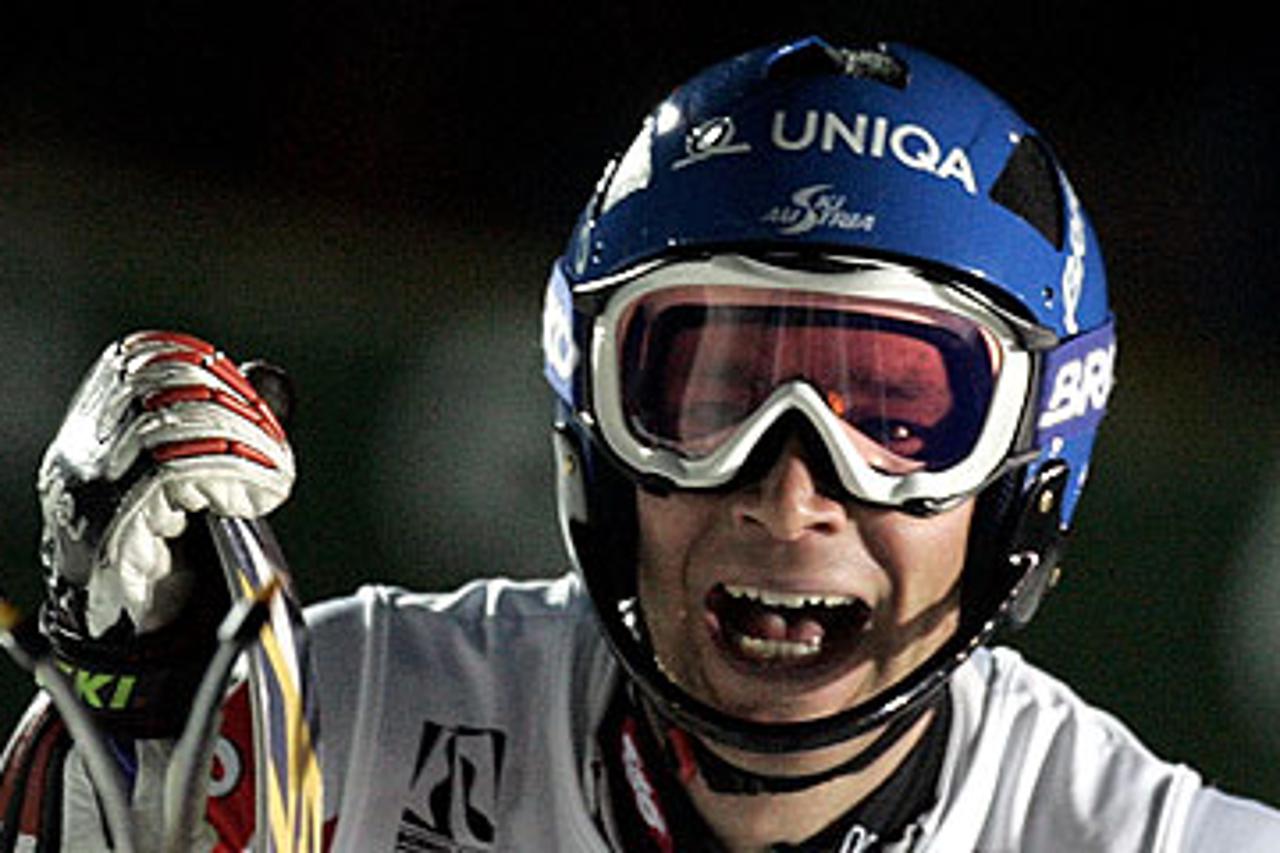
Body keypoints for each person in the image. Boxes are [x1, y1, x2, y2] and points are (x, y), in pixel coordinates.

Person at [2, 35, 1279, 852]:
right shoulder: (337, 722)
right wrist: (118, 720)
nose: (790, 490)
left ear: (1025, 473)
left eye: (896, 411)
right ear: (590, 428)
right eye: (709, 391)